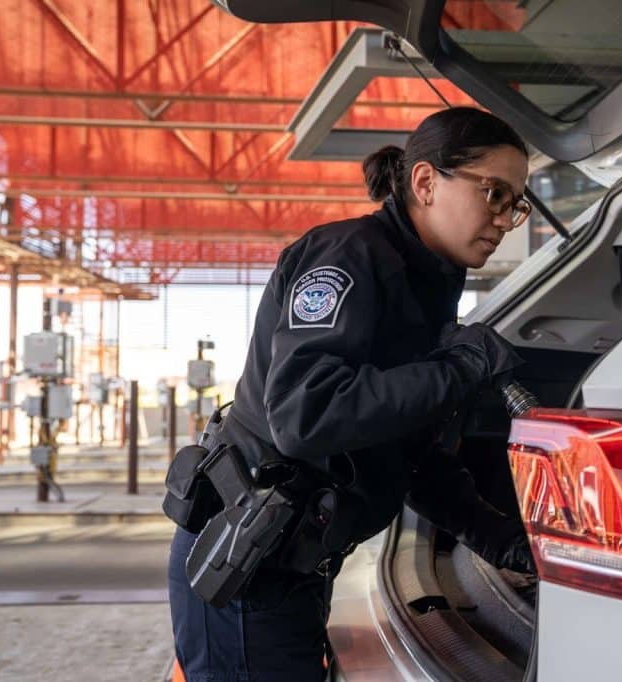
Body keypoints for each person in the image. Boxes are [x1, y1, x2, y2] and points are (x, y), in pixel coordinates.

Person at [168, 106, 536, 681]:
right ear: (425, 182)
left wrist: (505, 542)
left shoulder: (426, 285)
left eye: (515, 205)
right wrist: (463, 367)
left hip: (291, 563)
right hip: (244, 567)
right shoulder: (349, 258)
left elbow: (407, 454)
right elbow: (305, 414)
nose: (504, 218)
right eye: (494, 193)